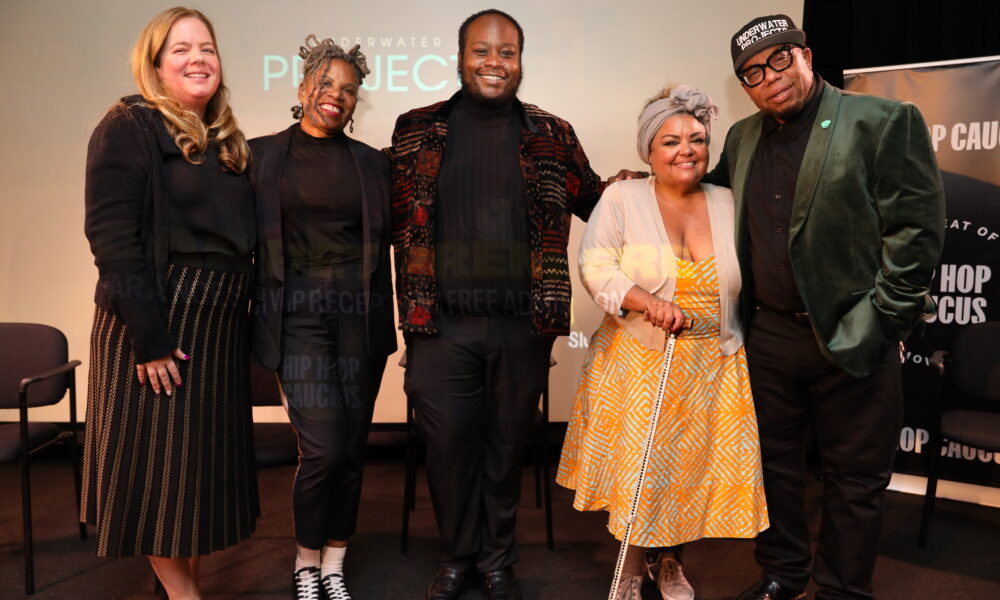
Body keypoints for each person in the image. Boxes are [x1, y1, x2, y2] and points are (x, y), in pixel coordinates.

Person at [388, 9, 636, 600]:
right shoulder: (415, 128)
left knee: (506, 451)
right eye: (481, 51)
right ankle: (456, 559)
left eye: (506, 53)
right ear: (459, 57)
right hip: (439, 325)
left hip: (523, 327)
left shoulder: (552, 133)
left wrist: (650, 183)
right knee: (447, 452)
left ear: (520, 61)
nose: (493, 63)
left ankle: (498, 563)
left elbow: (598, 201)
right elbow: (381, 210)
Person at [702, 15, 945, 600]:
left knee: (854, 483)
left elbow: (915, 233)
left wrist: (882, 322)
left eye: (779, 60)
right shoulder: (741, 137)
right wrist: (637, 185)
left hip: (856, 334)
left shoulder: (883, 121)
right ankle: (782, 574)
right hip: (770, 339)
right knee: (774, 472)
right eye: (753, 74)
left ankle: (841, 589)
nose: (770, 79)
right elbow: (705, 197)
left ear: (806, 56)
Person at [557, 84, 769, 600]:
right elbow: (595, 265)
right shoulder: (622, 197)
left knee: (689, 468)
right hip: (637, 360)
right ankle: (631, 565)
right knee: (641, 469)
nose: (686, 150)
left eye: (696, 139)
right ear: (648, 150)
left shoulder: (727, 200)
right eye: (670, 141)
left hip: (713, 364)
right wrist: (644, 300)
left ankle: (671, 562)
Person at [80, 7, 259, 599]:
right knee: (160, 484)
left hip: (218, 329)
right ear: (154, 64)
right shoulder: (130, 123)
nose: (198, 58)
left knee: (192, 490)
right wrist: (150, 337)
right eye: (180, 49)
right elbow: (112, 237)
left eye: (206, 48)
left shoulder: (227, 142)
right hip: (160, 325)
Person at [248, 35, 396, 600]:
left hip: (360, 317)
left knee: (352, 447)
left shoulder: (372, 165)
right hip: (297, 317)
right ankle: (305, 558)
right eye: (326, 83)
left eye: (349, 90)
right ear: (304, 85)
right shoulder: (261, 156)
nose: (336, 95)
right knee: (325, 448)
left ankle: (335, 558)